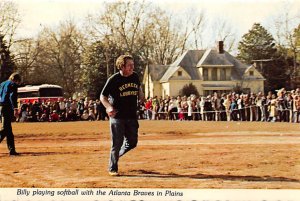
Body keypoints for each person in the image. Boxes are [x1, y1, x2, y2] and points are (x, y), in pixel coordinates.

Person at [100, 54, 144, 176]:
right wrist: (109, 107)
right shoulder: (114, 79)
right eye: (129, 65)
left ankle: (116, 155)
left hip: (131, 115)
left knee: (132, 142)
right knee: (117, 143)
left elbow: (138, 88)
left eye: (133, 65)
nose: (132, 67)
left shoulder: (135, 76)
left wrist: (141, 96)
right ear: (122, 66)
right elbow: (102, 96)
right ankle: (112, 168)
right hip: (117, 116)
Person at [0, 72, 22, 156]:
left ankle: (12, 150)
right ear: (16, 80)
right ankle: (12, 150)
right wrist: (15, 108)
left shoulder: (2, 83)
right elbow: (12, 96)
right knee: (5, 129)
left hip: (1, 106)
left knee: (8, 130)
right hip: (7, 107)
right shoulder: (13, 85)